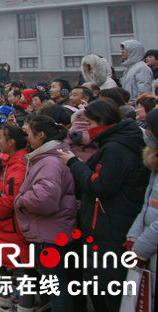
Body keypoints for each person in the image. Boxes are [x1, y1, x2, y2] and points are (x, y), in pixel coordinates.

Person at [58, 99, 149, 312]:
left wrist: (73, 164)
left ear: (101, 121)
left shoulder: (116, 148)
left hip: (109, 226)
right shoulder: (118, 142)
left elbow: (101, 186)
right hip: (110, 223)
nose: (88, 130)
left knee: (106, 289)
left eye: (89, 124)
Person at [15, 116, 77, 312]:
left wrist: (21, 200)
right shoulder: (52, 156)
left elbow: (45, 198)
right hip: (52, 229)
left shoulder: (50, 161)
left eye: (30, 134)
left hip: (48, 231)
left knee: (56, 284)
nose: (27, 138)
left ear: (41, 135)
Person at [0, 125, 30, 312]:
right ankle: (3, 304)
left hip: (11, 227)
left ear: (12, 142)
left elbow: (11, 198)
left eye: (1, 137)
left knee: (20, 269)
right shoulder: (11, 162)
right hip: (5, 227)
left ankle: (24, 308)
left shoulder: (19, 165)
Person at [126, 108, 158, 305]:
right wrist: (134, 234)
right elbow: (148, 205)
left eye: (150, 128)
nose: (146, 132)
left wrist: (140, 248)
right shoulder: (154, 161)